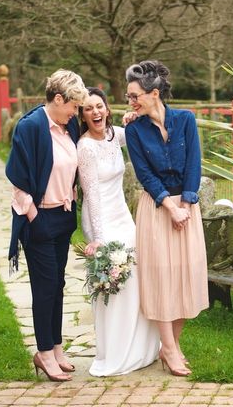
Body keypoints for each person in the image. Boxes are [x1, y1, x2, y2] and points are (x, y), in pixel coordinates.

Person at [124, 60, 209, 377]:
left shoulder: (186, 120)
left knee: (188, 274)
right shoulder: (134, 130)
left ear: (154, 93)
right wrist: (169, 207)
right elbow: (144, 174)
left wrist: (186, 203)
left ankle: (170, 344)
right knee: (161, 278)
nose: (131, 103)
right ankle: (170, 349)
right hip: (157, 209)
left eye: (135, 96)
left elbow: (194, 164)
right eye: (130, 97)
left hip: (187, 208)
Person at [5, 69, 88, 382]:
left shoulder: (70, 129)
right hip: (38, 218)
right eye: (73, 106)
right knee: (44, 287)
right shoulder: (31, 127)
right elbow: (18, 179)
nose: (75, 112)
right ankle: (42, 352)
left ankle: (55, 347)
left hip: (63, 217)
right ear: (57, 99)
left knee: (58, 285)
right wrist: (33, 217)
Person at [77, 87, 160, 376]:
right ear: (83, 115)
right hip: (100, 218)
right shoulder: (85, 147)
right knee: (114, 279)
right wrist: (98, 238)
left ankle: (141, 348)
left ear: (107, 109)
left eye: (99, 106)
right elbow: (92, 195)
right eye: (88, 108)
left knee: (136, 277)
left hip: (123, 214)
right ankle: (114, 351)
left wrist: (133, 115)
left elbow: (137, 131)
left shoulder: (115, 135)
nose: (96, 112)